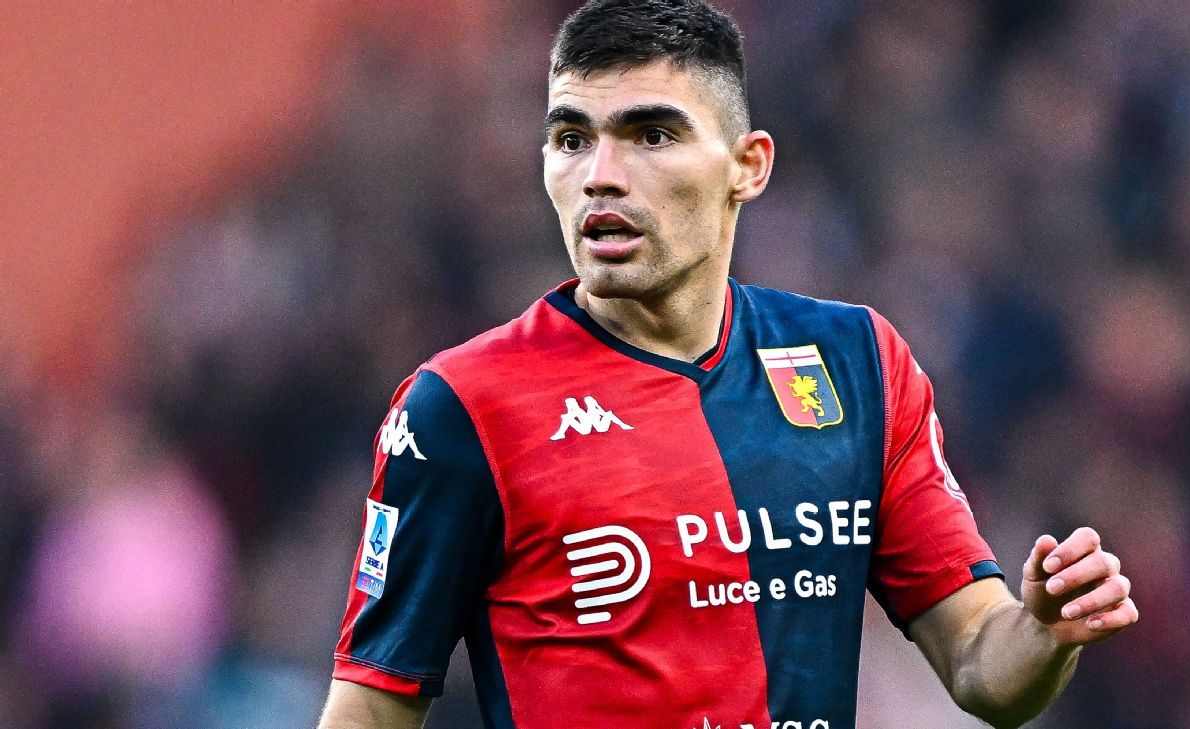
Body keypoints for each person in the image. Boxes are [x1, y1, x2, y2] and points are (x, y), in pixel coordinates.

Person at [318, 1, 1138, 727]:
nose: (601, 176)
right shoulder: (463, 406)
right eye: (571, 139)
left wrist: (1044, 633)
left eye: (652, 135)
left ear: (748, 165)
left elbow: (982, 665)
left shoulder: (855, 362)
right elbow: (371, 706)